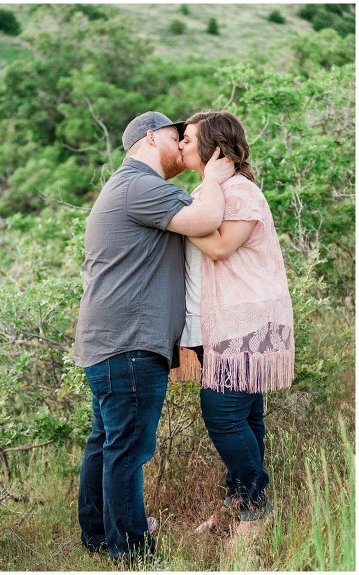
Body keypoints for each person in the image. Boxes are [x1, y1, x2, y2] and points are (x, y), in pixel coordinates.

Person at [73, 111, 236, 561]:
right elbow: (205, 221)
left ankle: (98, 536)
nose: (182, 144)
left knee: (107, 441)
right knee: (128, 448)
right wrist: (214, 179)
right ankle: (132, 552)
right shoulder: (139, 185)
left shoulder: (128, 186)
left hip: (112, 340)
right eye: (175, 136)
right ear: (150, 138)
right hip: (130, 340)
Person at [175, 111, 294, 540]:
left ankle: (254, 510)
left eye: (189, 139)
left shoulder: (239, 192)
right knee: (246, 416)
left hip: (243, 323)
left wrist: (179, 218)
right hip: (219, 325)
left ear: (216, 149)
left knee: (224, 416)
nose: (182, 144)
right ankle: (237, 504)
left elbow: (222, 246)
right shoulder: (210, 191)